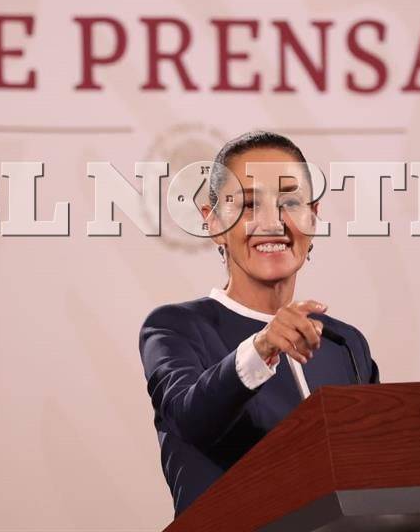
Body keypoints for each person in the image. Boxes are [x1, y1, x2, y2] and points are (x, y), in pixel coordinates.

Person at [138, 130, 379, 516]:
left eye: (291, 202)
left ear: (313, 215)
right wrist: (260, 348)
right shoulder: (175, 328)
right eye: (249, 205)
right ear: (214, 222)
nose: (272, 222)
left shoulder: (344, 344)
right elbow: (191, 420)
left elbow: (375, 470)